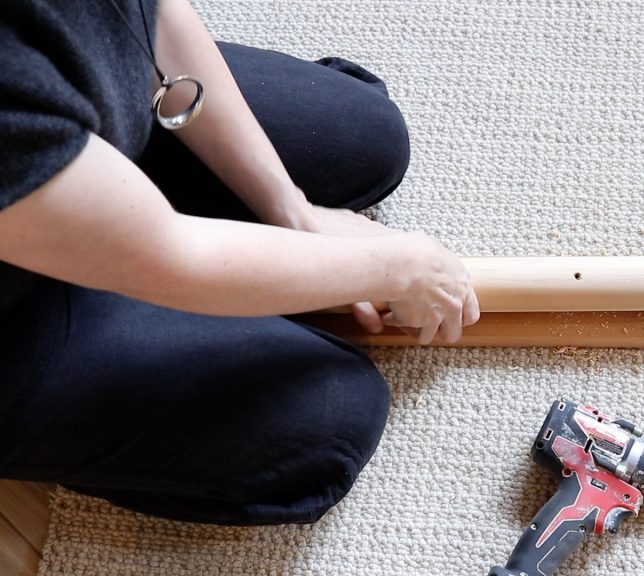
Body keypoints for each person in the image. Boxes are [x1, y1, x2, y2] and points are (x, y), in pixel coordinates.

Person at [0, 0, 479, 525]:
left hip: (62, 120)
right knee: (328, 417)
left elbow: (157, 13)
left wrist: (293, 210)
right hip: (16, 311)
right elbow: (174, 257)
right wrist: (393, 266)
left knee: (359, 139)